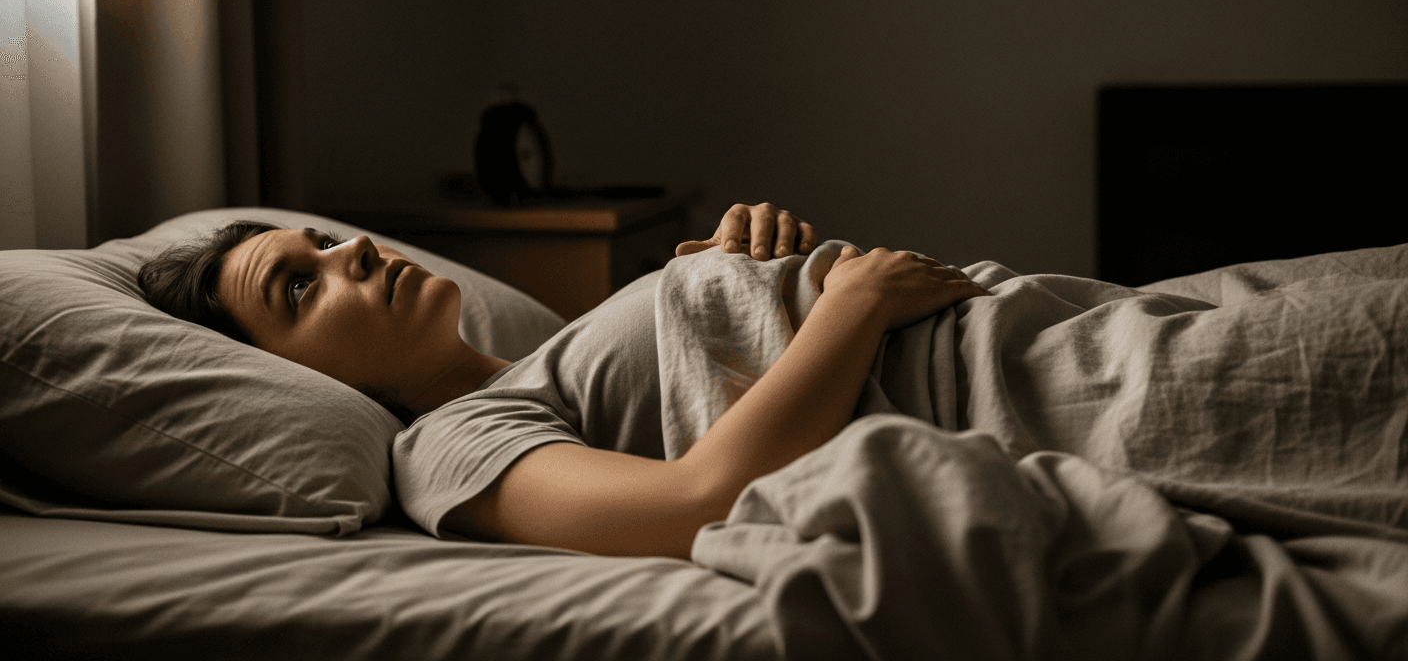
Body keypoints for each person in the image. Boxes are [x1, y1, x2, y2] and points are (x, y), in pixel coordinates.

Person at [140, 203, 989, 559]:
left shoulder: (547, 358)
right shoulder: (447, 445)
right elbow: (702, 500)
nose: (350, 252)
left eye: (321, 242)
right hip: (984, 387)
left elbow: (699, 382)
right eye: (299, 287)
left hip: (1010, 323)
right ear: (287, 377)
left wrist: (738, 272)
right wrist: (855, 304)